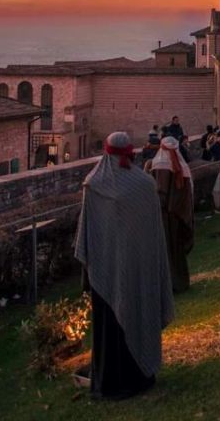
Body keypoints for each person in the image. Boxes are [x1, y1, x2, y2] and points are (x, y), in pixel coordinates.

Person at [74, 131, 174, 400]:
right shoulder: (144, 184)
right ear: (130, 152)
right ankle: (140, 376)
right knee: (138, 313)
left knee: (109, 331)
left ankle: (110, 383)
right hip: (139, 271)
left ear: (106, 152)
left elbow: (87, 238)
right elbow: (153, 235)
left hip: (106, 273)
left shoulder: (93, 184)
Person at [145, 137, 194, 293]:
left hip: (163, 216)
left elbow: (160, 193)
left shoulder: (158, 165)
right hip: (176, 216)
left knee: (165, 252)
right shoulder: (182, 167)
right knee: (176, 252)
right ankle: (179, 282)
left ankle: (168, 285)